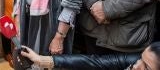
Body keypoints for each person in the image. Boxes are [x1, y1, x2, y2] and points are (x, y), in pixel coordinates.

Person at [20, 41, 160, 70]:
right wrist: (41, 60)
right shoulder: (132, 63)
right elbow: (93, 62)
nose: (136, 66)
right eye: (140, 58)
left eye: (146, 68)